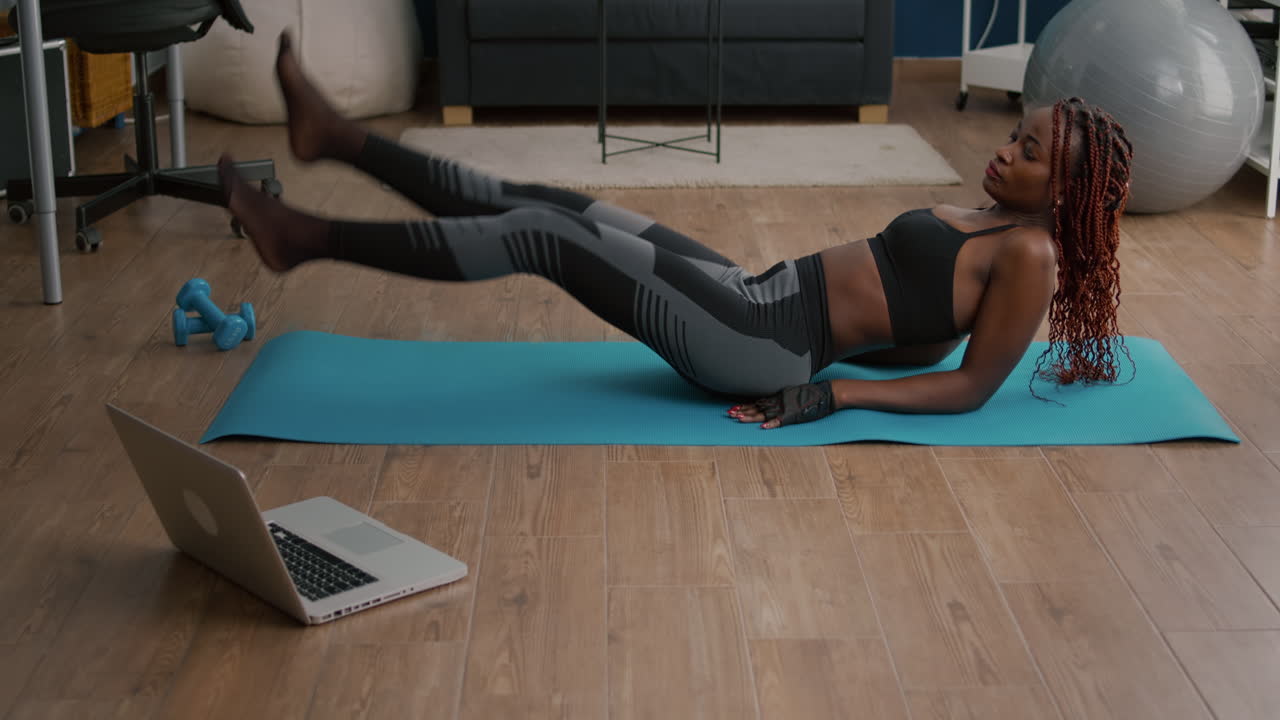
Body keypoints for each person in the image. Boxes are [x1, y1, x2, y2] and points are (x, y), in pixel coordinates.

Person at [219, 33, 1134, 430]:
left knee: (540, 233)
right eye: (1017, 136)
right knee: (551, 198)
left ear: (1070, 194)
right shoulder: (995, 221)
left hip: (762, 342)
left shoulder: (1031, 253)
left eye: (1031, 154)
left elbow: (970, 385)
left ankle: (304, 238)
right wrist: (874, 346)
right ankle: (335, 138)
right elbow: (926, 335)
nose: (1005, 153)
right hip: (756, 294)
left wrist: (831, 392)